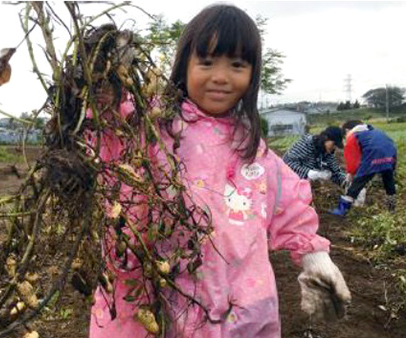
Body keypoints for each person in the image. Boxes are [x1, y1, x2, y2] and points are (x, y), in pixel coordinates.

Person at [88, 5, 351, 338]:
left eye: (237, 65)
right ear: (184, 65)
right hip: (175, 301)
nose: (221, 77)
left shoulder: (251, 144)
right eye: (207, 62)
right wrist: (105, 77)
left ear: (252, 74)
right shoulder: (155, 126)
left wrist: (315, 257)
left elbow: (288, 202)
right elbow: (107, 130)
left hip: (248, 305)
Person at [331, 120, 397, 216]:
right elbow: (390, 144)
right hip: (390, 156)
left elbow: (352, 162)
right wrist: (392, 166)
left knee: (358, 182)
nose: (346, 138)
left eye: (345, 136)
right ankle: (392, 209)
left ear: (347, 130)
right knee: (389, 182)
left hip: (373, 156)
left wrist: (351, 174)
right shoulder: (376, 132)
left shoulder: (353, 136)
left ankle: (341, 210)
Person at [282, 126, 346, 186]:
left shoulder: (328, 153)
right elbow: (287, 163)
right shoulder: (307, 143)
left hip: (309, 187)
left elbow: (336, 173)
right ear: (325, 138)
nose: (334, 147)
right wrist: (309, 172)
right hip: (290, 184)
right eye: (334, 144)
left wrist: (346, 181)